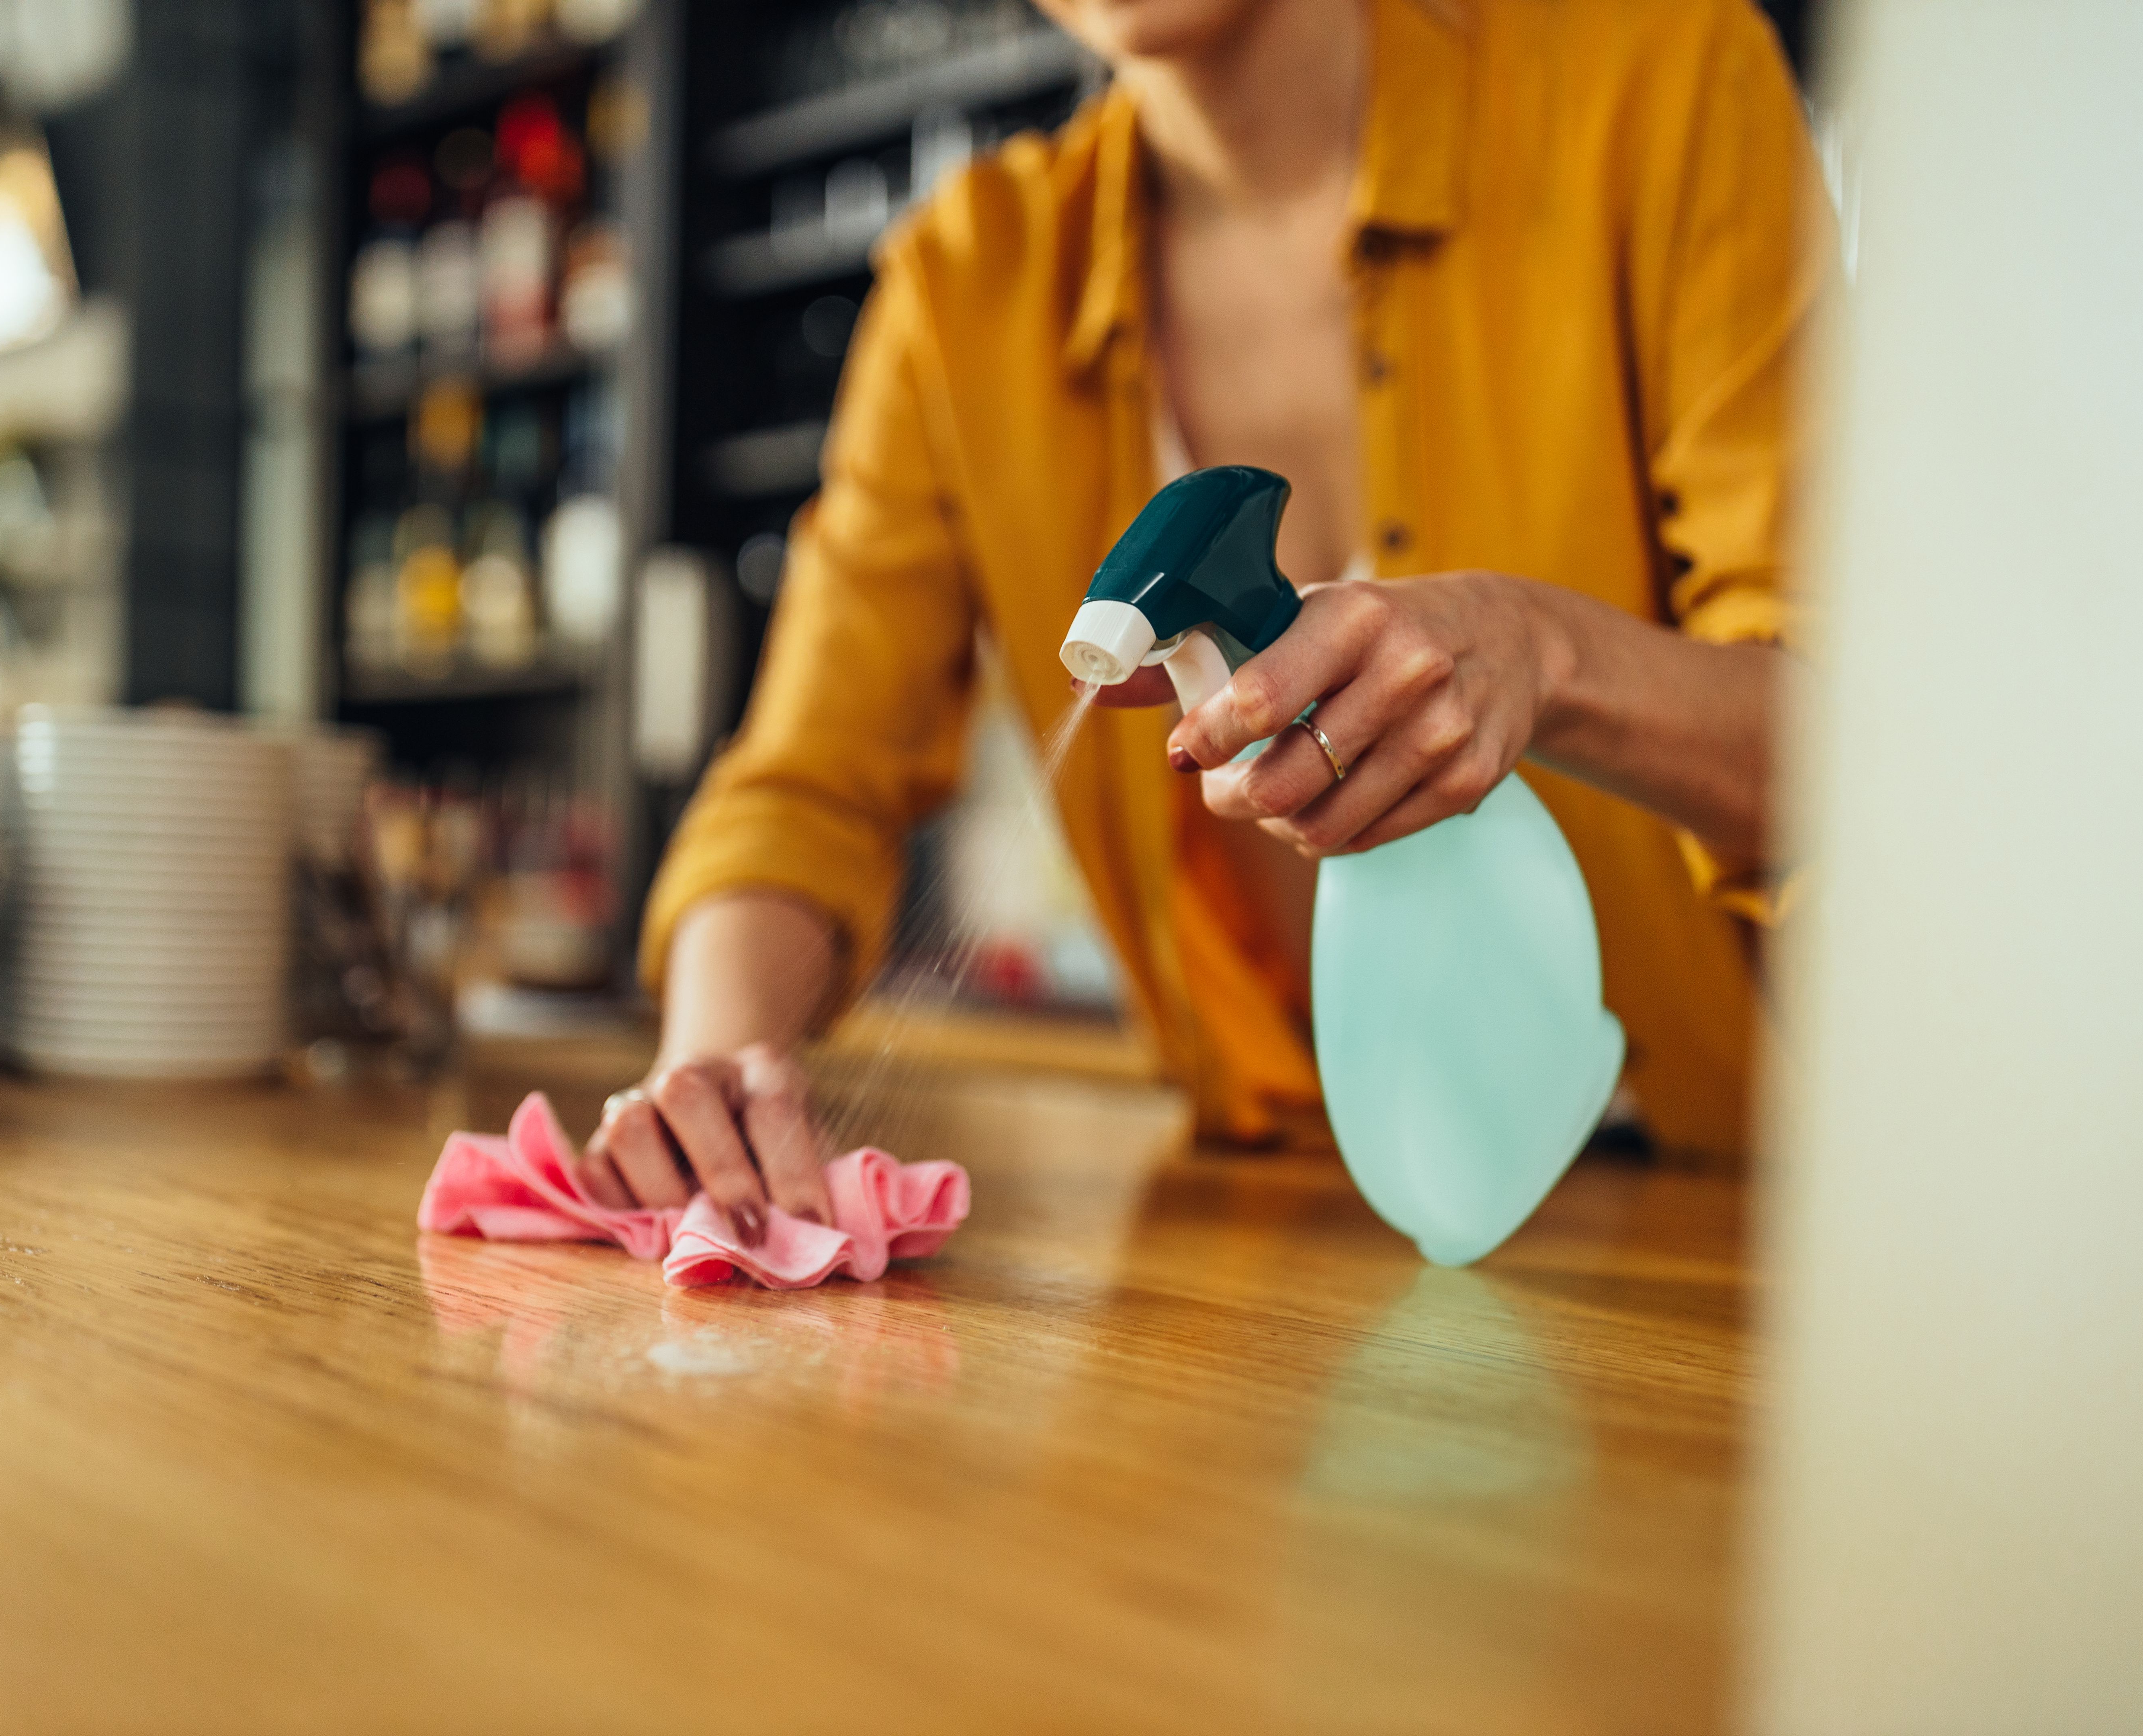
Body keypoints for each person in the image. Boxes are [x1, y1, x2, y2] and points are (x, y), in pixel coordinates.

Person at [580, 0, 1828, 1240]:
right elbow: (808, 789)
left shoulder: (1664, 83)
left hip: (1724, 1217)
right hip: (1288, 1216)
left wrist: (1545, 656)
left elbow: (1869, 758)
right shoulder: (964, 287)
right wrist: (714, 1070)